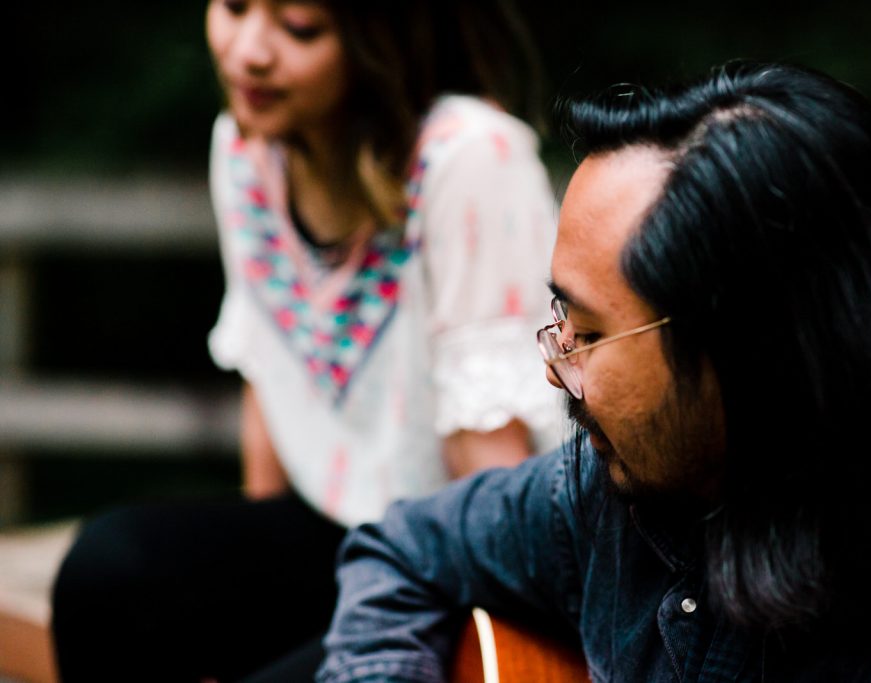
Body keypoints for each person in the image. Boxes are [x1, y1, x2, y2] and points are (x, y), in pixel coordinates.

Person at [317, 61, 871, 682]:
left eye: (589, 334)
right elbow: (401, 551)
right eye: (561, 319)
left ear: (759, 353)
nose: (559, 373)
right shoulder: (606, 493)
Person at [51, 1, 561, 680]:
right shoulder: (244, 148)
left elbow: (494, 465)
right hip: (331, 535)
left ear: (375, 37)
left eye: (298, 26)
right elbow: (269, 371)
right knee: (106, 569)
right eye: (233, 8)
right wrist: (253, 588)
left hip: (450, 560)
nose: (249, 51)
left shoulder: (469, 158)